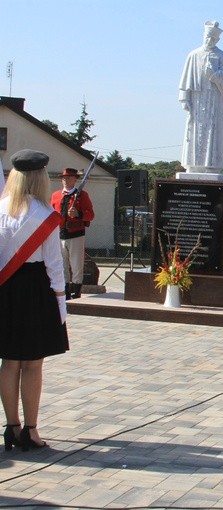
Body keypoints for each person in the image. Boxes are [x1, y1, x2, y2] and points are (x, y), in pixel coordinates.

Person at [1, 150, 69, 452]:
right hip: (36, 289)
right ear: (40, 177)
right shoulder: (45, 214)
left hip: (5, 288)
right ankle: (30, 430)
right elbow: (54, 265)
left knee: (8, 361)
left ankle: (11, 426)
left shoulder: (0, 209)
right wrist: (60, 302)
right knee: (32, 364)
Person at [179, 20, 223, 173]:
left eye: (213, 39)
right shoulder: (193, 55)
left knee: (213, 130)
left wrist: (214, 76)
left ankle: (212, 165)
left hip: (214, 101)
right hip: (197, 99)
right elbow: (185, 80)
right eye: (207, 37)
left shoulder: (222, 56)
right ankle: (193, 165)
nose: (209, 41)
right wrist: (185, 97)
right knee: (194, 130)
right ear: (204, 36)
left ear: (217, 40)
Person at [50, 168, 95, 300]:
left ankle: (76, 290)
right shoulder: (56, 195)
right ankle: (65, 290)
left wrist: (78, 214)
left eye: (69, 178)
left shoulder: (82, 195)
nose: (65, 180)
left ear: (75, 179)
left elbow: (91, 215)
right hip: (59, 234)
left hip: (76, 234)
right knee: (62, 264)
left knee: (76, 264)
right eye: (64, 178)